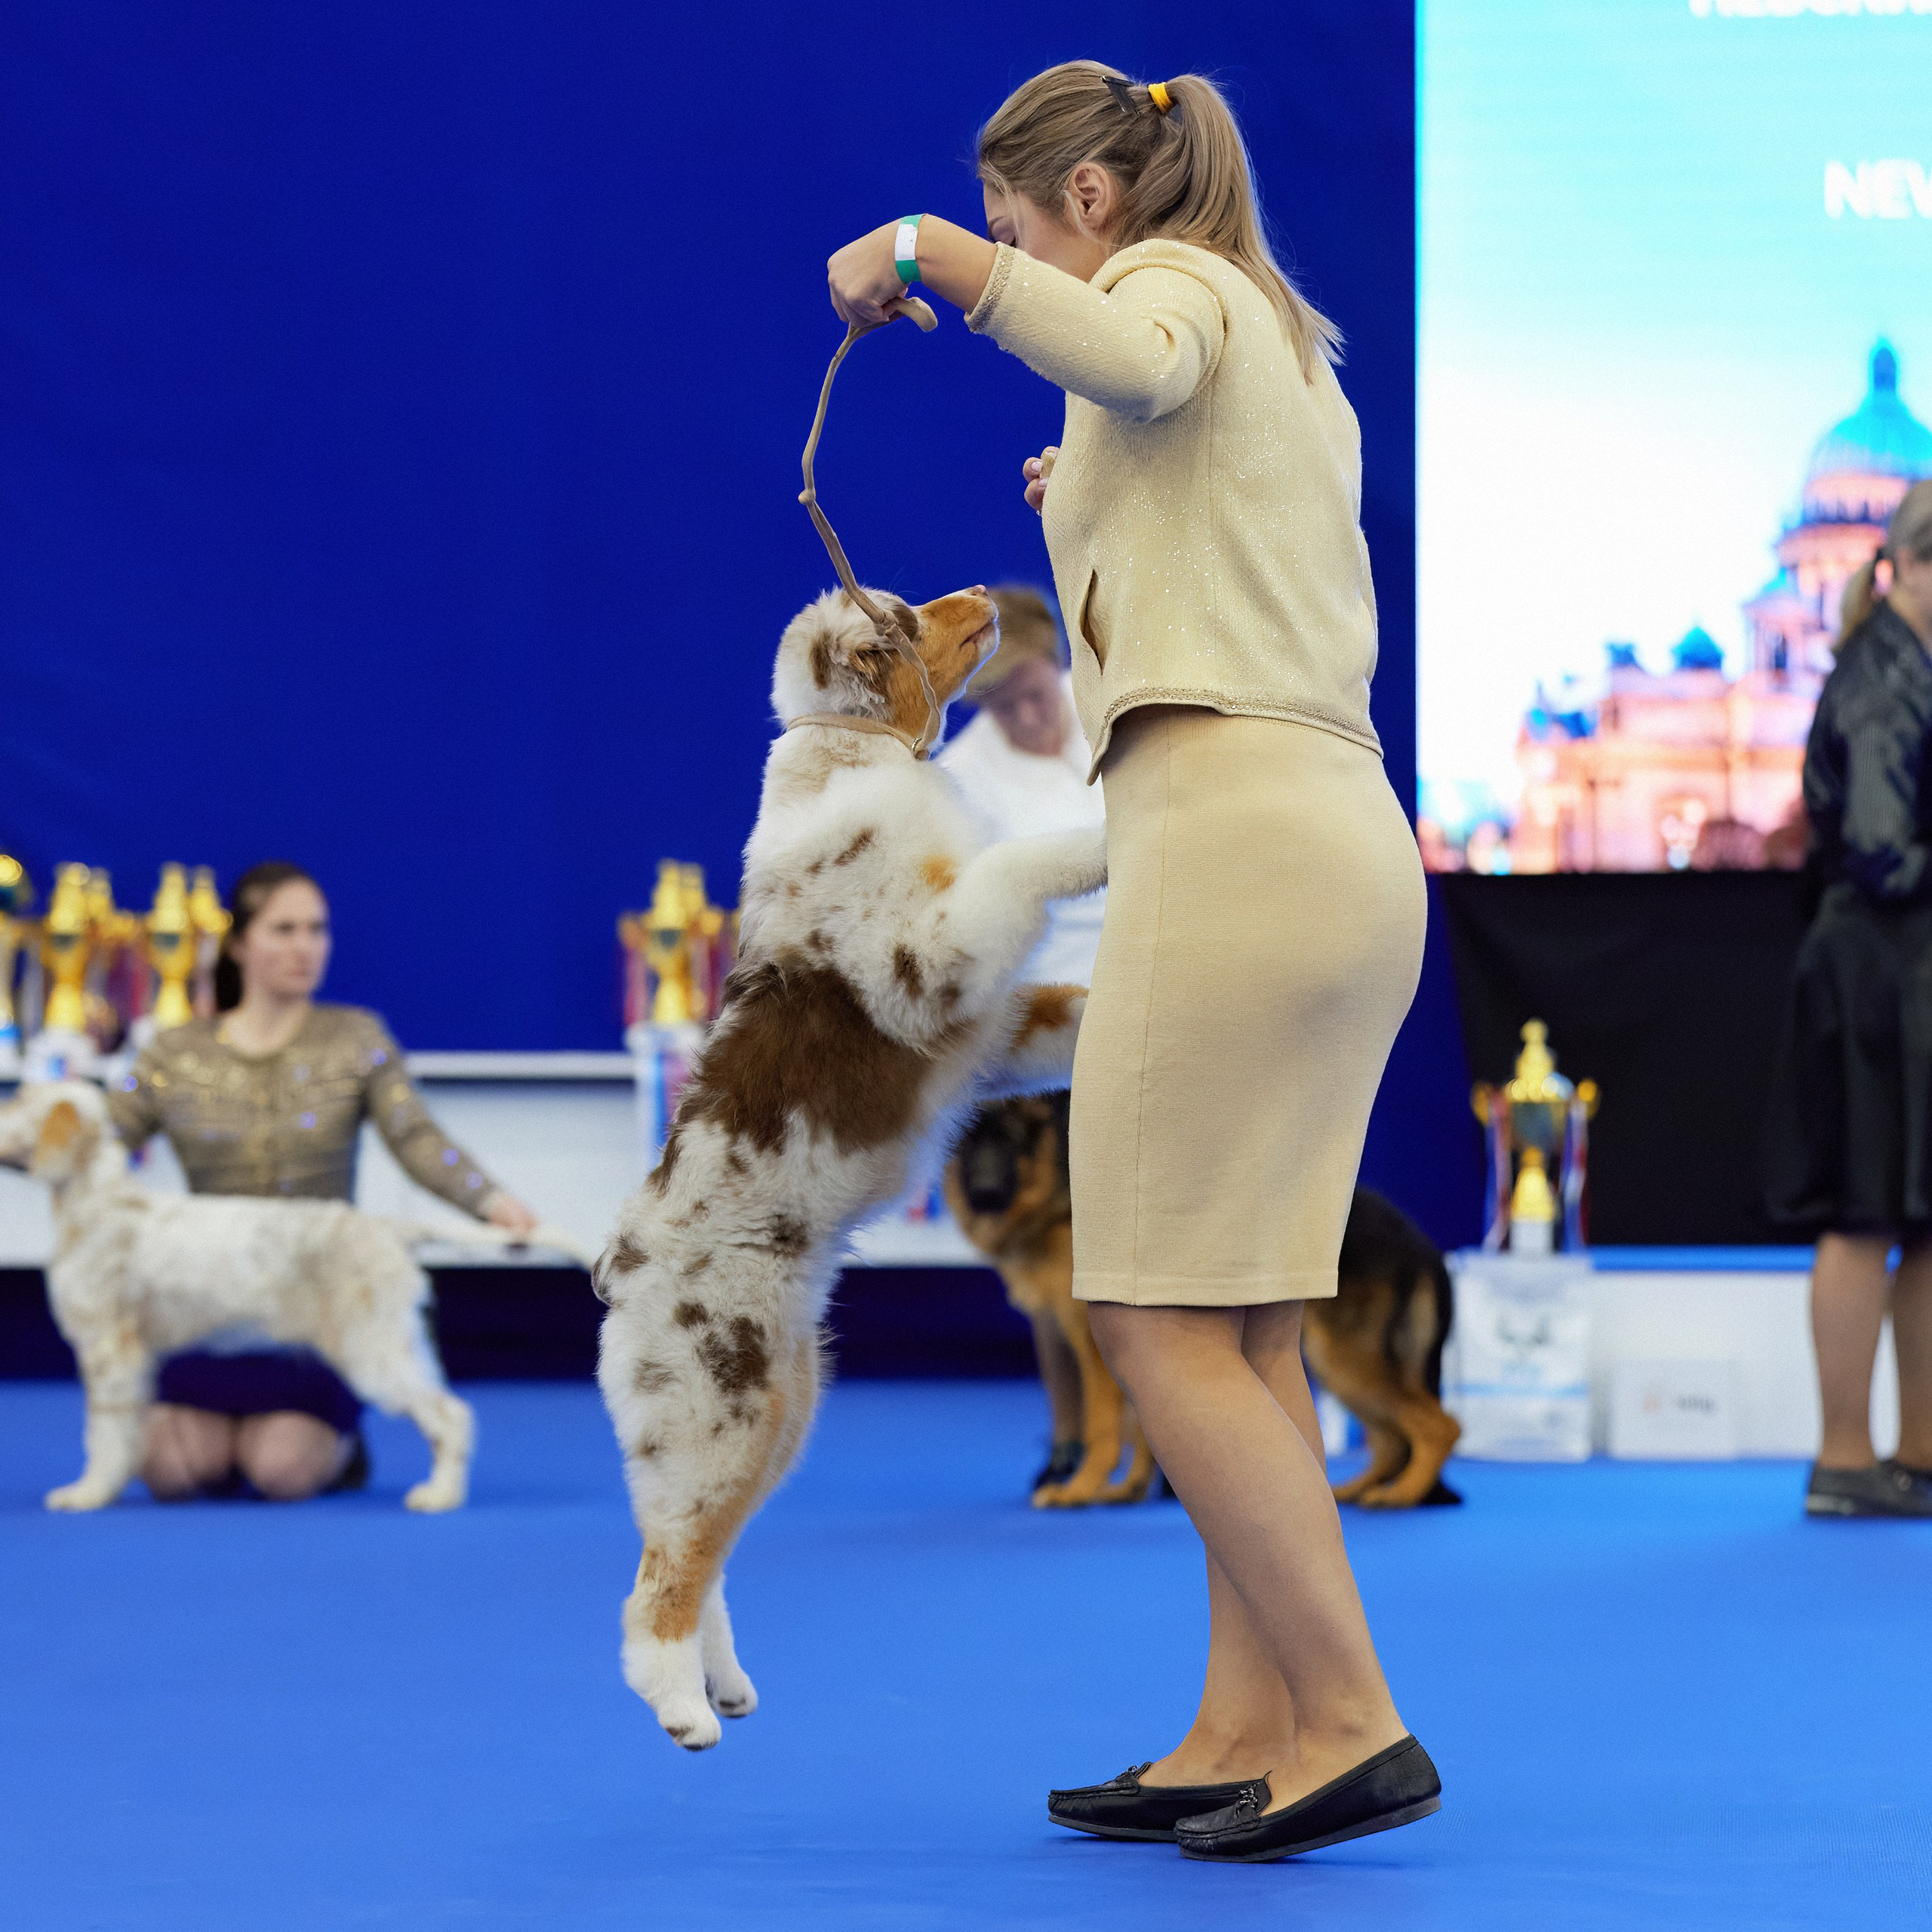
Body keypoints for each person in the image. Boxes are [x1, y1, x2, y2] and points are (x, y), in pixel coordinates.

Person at [829, 64, 1434, 1862]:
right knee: (1237, 1308)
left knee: (1147, 1308)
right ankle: (1240, 1723)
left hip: (1234, 837)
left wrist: (924, 253)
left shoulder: (1170, 291)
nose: (1005, 250)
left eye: (1015, 219)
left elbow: (1139, 358)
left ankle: (1346, 1715)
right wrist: (1081, 493)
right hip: (1326, 837)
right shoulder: (1282, 340)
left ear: (1088, 198)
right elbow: (1174, 462)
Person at [106, 861, 537, 1501]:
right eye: (284, 929)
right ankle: (241, 1428)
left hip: (317, 1308)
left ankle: (331, 1436)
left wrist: (489, 1201)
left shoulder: (357, 1038)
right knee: (174, 1472)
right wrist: (32, 1126)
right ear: (238, 943)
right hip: (207, 1313)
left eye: (317, 929)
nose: (305, 946)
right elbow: (95, 1148)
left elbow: (416, 1138)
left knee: (280, 1472)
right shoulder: (173, 1052)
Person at [1765, 479, 1932, 1520]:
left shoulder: (1909, 669)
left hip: (1907, 972)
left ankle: (1915, 1455)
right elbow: (1878, 852)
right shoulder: (1882, 682)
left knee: (1922, 1213)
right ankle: (1842, 1456)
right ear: (1904, 569)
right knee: (1868, 1210)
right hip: (1876, 975)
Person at [940, 584, 1106, 1490]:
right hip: (1042, 1029)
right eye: (1005, 705)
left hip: (1145, 998)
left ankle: (1155, 1440)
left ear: (1058, 667)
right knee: (1057, 1259)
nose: (1029, 714)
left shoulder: (1111, 711)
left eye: (1037, 690)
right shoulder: (965, 774)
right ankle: (1073, 1433)